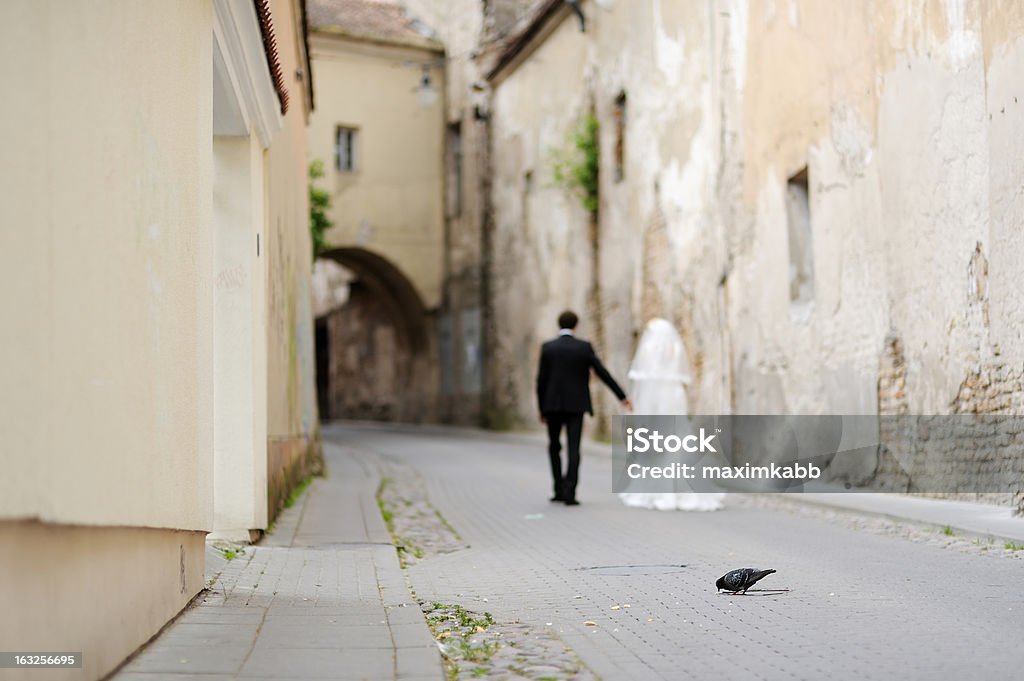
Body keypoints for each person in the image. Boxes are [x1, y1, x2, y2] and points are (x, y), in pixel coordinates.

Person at [618, 318, 725, 511]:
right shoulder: (675, 347)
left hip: (656, 397)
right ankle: (682, 489)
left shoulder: (649, 348)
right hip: (673, 395)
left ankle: (656, 491)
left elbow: (642, 380)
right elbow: (681, 375)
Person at [537, 310, 632, 505]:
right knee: (574, 448)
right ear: (576, 326)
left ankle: (558, 489)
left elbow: (541, 381)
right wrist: (622, 396)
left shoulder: (548, 348)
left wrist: (542, 408)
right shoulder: (583, 348)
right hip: (576, 405)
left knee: (554, 446)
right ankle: (570, 493)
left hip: (552, 406)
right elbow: (602, 372)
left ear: (558, 325)